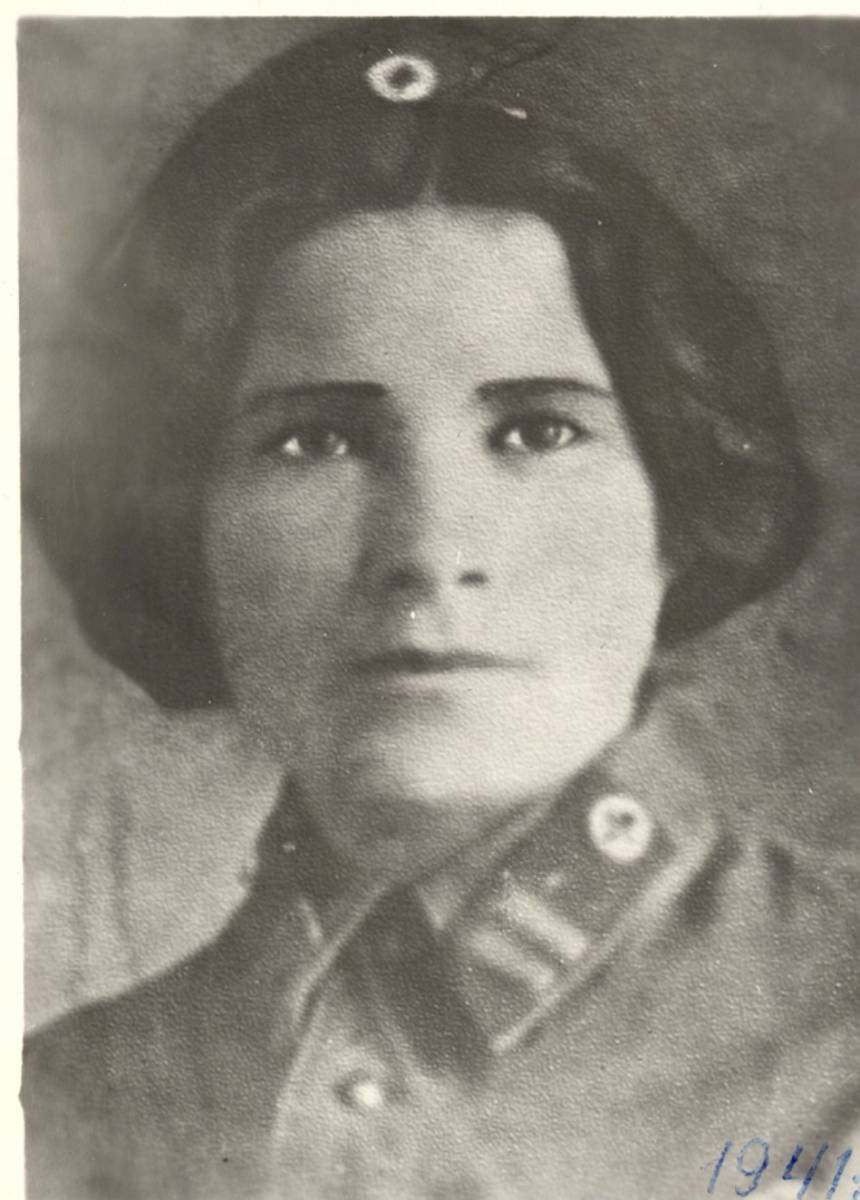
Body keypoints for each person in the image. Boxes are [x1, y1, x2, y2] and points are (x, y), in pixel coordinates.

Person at [21, 19, 859, 1200]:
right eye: (315, 441)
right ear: (184, 525)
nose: (426, 551)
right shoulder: (61, 1105)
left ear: (674, 507)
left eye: (537, 430)